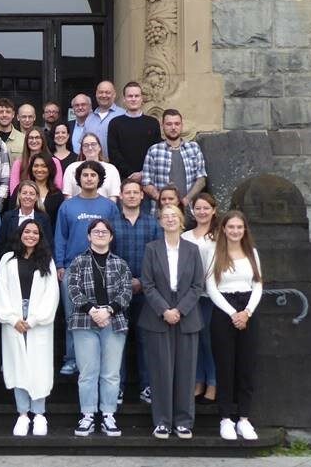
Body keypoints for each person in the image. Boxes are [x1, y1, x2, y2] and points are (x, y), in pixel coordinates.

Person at [138, 204, 203, 440]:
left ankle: (184, 421)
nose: (170, 219)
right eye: (165, 217)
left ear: (181, 220)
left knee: (186, 372)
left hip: (187, 315)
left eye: (173, 216)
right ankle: (163, 422)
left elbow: (198, 286)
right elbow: (147, 284)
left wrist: (180, 310)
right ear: (160, 222)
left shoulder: (193, 250)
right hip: (158, 314)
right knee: (161, 371)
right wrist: (165, 310)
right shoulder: (152, 249)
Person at [55, 161, 120, 376]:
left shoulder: (109, 207)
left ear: (99, 179)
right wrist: (60, 264)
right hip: (73, 269)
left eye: (93, 175)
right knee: (73, 315)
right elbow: (61, 237)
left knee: (101, 315)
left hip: (103, 268)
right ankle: (72, 359)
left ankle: (99, 359)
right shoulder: (67, 206)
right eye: (85, 175)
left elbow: (115, 237)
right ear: (79, 179)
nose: (89, 178)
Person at [68, 219, 132, 437]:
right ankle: (87, 415)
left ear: (111, 236)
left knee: (111, 373)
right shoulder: (78, 261)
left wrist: (109, 311)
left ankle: (108, 415)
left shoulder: (121, 264)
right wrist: (92, 310)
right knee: (87, 373)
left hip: (114, 321)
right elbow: (73, 289)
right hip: (85, 321)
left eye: (105, 231)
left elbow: (126, 292)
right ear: (89, 236)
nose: (100, 234)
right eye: (96, 231)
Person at [0, 220, 59, 436]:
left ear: (40, 237)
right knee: (18, 365)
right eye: (27, 231)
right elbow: (1, 291)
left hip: (38, 321)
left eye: (35, 232)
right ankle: (23, 414)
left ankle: (39, 414)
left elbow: (52, 294)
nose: (31, 235)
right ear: (20, 234)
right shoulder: (7, 260)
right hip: (14, 318)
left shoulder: (47, 261)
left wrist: (33, 320)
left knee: (38, 365)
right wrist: (13, 319)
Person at [206, 211, 263, 441]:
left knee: (246, 367)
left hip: (248, 309)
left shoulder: (252, 253)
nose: (236, 231)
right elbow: (211, 287)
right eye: (231, 227)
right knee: (225, 366)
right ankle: (226, 419)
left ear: (245, 230)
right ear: (224, 229)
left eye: (240, 227)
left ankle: (244, 419)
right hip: (224, 311)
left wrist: (247, 313)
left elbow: (258, 284)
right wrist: (233, 313)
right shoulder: (214, 252)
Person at [111, 178, 163, 405]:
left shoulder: (153, 224)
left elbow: (158, 257)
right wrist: (123, 283)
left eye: (136, 192)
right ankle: (118, 387)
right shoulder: (110, 223)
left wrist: (142, 281)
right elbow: (106, 256)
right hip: (116, 292)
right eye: (127, 192)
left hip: (146, 291)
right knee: (117, 342)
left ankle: (147, 386)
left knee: (145, 340)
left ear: (142, 196)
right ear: (121, 196)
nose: (132, 196)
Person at [181, 193, 219, 405]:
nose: (202, 212)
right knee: (193, 340)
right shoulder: (185, 236)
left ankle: (212, 382)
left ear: (213, 210)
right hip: (189, 296)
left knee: (208, 340)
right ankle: (198, 381)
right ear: (192, 211)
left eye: (206, 208)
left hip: (211, 295)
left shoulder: (219, 235)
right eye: (198, 208)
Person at [142, 108, 207, 216]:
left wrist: (185, 200)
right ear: (162, 126)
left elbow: (201, 179)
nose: (173, 127)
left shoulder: (193, 148)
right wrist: (164, 200)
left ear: (181, 125)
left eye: (177, 124)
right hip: (161, 213)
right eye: (169, 124)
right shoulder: (154, 150)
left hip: (188, 210)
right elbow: (146, 183)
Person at [107, 81, 161, 185]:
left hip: (149, 179)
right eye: (130, 96)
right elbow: (113, 153)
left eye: (136, 96)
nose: (133, 99)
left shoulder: (152, 123)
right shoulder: (115, 123)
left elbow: (156, 151)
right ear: (124, 99)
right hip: (123, 179)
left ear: (142, 99)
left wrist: (143, 173)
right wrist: (130, 174)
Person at [0, 180, 54, 259]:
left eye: (31, 194)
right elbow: (1, 243)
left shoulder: (44, 218)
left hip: (36, 261)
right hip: (12, 261)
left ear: (37, 197)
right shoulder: (8, 216)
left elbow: (48, 244)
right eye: (24, 193)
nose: (28, 196)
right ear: (19, 195)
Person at [63, 132, 121, 202]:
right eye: (86, 145)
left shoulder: (111, 169)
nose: (90, 148)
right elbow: (68, 195)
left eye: (93, 144)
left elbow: (113, 197)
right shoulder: (72, 168)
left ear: (99, 147)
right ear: (82, 149)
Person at [9, 127, 63, 196]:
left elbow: (58, 187)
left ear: (43, 140)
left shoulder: (55, 162)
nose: (34, 141)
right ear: (26, 141)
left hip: (49, 201)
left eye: (37, 137)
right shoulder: (18, 163)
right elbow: (14, 191)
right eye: (31, 138)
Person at [83, 80, 125, 159]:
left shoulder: (123, 115)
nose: (104, 95)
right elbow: (83, 144)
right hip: (93, 167)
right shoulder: (89, 118)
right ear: (96, 94)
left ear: (114, 95)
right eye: (101, 92)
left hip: (116, 167)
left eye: (107, 92)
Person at [27, 152, 64, 228]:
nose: (39, 169)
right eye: (36, 166)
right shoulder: (21, 189)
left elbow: (59, 223)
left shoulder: (57, 194)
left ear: (50, 168)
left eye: (44, 166)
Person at [0, 97, 24, 165]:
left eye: (8, 112)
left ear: (13, 114)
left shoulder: (23, 139)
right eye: (1, 112)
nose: (4, 115)